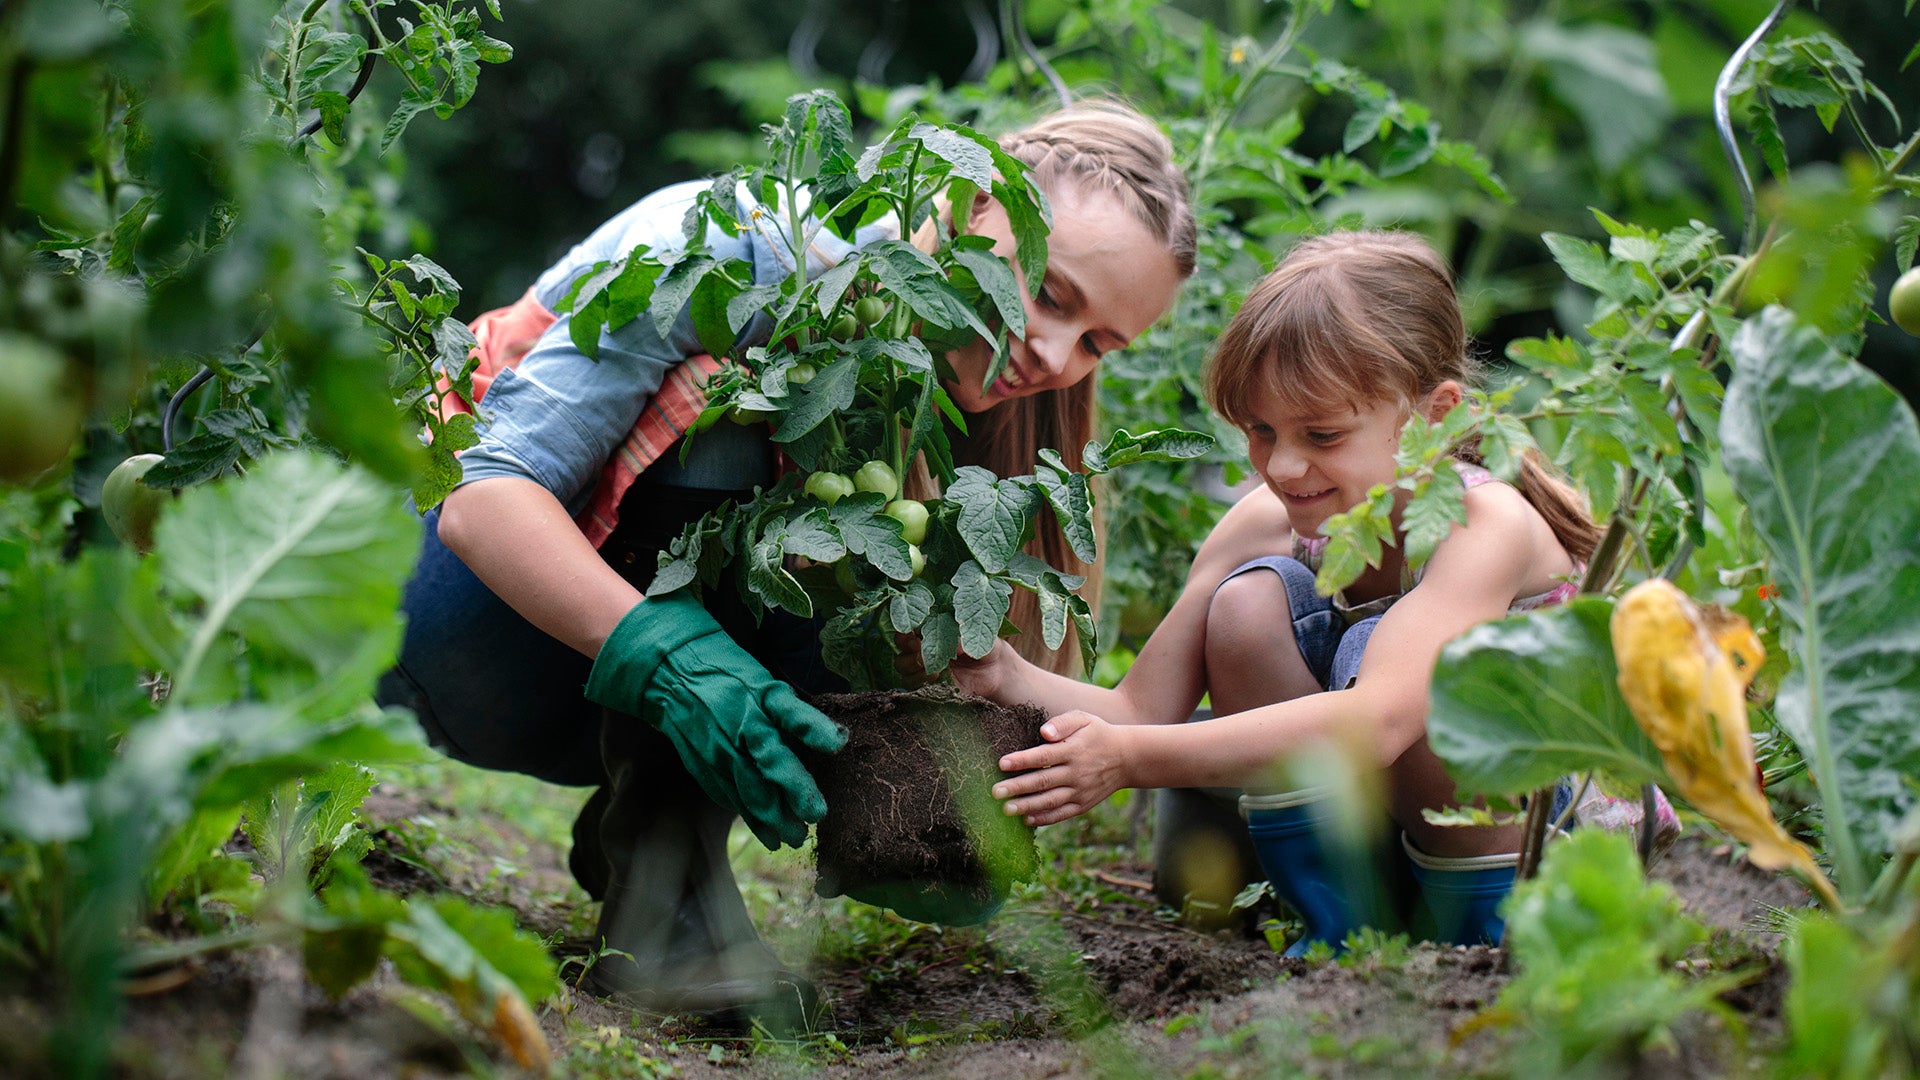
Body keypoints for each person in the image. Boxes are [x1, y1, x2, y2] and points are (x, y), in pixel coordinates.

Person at [375, 100, 1196, 1025]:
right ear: (973, 204)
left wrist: (940, 780)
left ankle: (645, 847)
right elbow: (483, 502)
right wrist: (669, 656)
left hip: (589, 676)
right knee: (742, 395)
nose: (1053, 352)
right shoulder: (746, 252)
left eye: (1098, 345)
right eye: (1049, 296)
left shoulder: (976, 391)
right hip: (447, 618)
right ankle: (670, 902)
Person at [952, 231, 1602, 952]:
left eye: (1322, 435)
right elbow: (1141, 709)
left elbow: (1379, 721)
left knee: (1421, 673)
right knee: (1245, 607)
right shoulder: (1267, 522)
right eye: (1261, 430)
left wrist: (1129, 760)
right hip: (1384, 828)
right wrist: (1003, 674)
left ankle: (1478, 941)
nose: (1284, 467)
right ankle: (1338, 931)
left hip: (1537, 850)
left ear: (1434, 414)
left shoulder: (1484, 524)